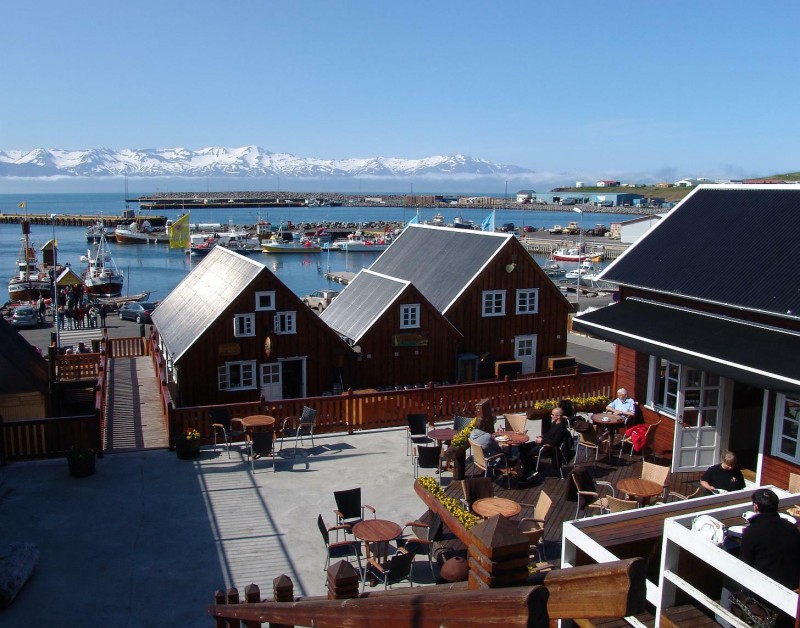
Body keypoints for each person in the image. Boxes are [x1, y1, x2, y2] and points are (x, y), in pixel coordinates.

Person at [740, 488, 800, 590]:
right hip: (791, 585)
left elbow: (745, 564)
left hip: (765, 588)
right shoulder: (792, 527)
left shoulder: (752, 531)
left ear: (756, 507)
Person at [518, 407, 570, 482]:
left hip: (549, 448)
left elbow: (555, 442)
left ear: (558, 416)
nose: (551, 416)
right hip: (544, 443)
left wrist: (542, 440)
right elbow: (549, 434)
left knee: (526, 452)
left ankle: (529, 470)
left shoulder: (561, 427)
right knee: (522, 447)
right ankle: (531, 466)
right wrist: (542, 436)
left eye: (552, 415)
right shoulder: (554, 423)